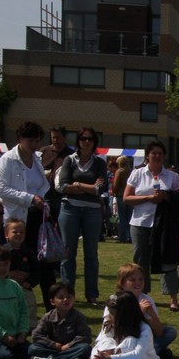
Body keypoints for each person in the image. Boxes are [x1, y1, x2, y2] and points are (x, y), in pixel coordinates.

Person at [0, 121, 56, 308]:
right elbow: (0, 189)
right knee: (16, 265)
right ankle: (10, 305)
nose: (34, 145)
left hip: (37, 218)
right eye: (30, 140)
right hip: (17, 219)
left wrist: (41, 201)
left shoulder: (37, 159)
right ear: (20, 139)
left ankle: (52, 307)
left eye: (37, 141)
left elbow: (42, 187)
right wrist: (30, 199)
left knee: (44, 265)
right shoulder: (8, 159)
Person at [124, 141, 179, 309]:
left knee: (168, 259)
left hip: (164, 225)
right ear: (147, 156)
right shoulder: (137, 174)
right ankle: (141, 295)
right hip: (140, 223)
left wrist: (166, 196)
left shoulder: (172, 176)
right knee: (140, 261)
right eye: (154, 153)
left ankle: (173, 298)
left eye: (160, 153)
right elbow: (126, 198)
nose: (157, 156)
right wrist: (148, 198)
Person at [56, 126, 107, 305]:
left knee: (91, 254)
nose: (86, 142)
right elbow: (63, 186)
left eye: (90, 139)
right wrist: (90, 188)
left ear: (94, 142)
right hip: (69, 209)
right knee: (68, 253)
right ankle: (67, 293)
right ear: (78, 141)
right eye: (83, 138)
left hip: (92, 211)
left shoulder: (99, 163)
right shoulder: (69, 160)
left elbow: (101, 188)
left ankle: (91, 294)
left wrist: (77, 184)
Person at [86, 291, 160, 359]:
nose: (109, 316)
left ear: (124, 315)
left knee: (130, 341)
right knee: (107, 341)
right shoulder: (109, 325)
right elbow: (98, 345)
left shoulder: (144, 328)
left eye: (112, 313)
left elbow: (138, 354)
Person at [106, 262, 176, 359]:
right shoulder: (115, 300)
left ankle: (150, 350)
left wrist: (152, 313)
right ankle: (150, 352)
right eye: (132, 280)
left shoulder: (146, 299)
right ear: (122, 283)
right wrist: (140, 313)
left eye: (140, 279)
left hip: (143, 337)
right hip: (123, 339)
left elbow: (159, 332)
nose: (138, 282)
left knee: (170, 331)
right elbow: (118, 330)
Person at [29, 282, 93, 359]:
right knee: (33, 348)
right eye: (61, 297)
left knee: (85, 348)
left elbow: (85, 336)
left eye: (69, 297)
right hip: (53, 348)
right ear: (52, 301)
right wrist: (53, 344)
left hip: (71, 348)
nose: (66, 300)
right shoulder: (48, 317)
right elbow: (36, 335)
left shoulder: (78, 317)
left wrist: (69, 345)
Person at [4, 219, 39, 327]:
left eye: (21, 232)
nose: (18, 234)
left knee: (30, 303)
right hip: (6, 286)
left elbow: (36, 269)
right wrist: (8, 275)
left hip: (24, 285)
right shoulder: (3, 252)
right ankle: (10, 325)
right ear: (6, 234)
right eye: (14, 232)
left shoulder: (28, 252)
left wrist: (30, 282)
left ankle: (30, 325)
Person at [38, 125, 74, 220]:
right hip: (45, 195)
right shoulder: (43, 151)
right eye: (53, 137)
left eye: (58, 137)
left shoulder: (71, 154)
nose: (55, 140)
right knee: (45, 223)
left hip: (63, 197)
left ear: (65, 138)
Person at [111, 156, 134, 244]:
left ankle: (122, 237)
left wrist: (114, 192)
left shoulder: (119, 171)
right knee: (129, 217)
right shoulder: (131, 171)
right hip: (130, 196)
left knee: (121, 218)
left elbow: (116, 185)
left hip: (121, 196)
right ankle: (130, 237)